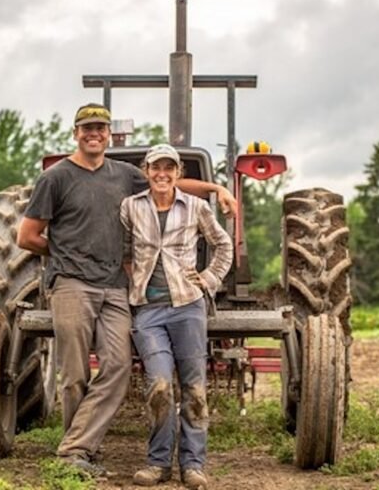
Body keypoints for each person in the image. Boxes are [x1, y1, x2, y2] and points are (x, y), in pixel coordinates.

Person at [17, 103, 237, 478]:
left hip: (118, 287)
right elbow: (27, 237)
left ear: (107, 134)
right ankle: (80, 453)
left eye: (100, 128)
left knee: (117, 367)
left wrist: (217, 188)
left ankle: (76, 448)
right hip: (72, 284)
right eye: (87, 128)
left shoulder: (123, 175)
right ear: (76, 133)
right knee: (73, 374)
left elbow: (168, 187)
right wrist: (64, 253)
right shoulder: (55, 178)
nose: (95, 133)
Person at [120, 143, 232, 489]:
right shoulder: (130, 207)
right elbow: (118, 246)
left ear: (178, 172)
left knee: (195, 388)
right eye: (156, 167)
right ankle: (158, 463)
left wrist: (209, 280)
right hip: (148, 310)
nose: (162, 174)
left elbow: (223, 245)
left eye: (169, 168)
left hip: (188, 307)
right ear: (147, 171)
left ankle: (193, 465)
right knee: (159, 384)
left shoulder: (196, 207)